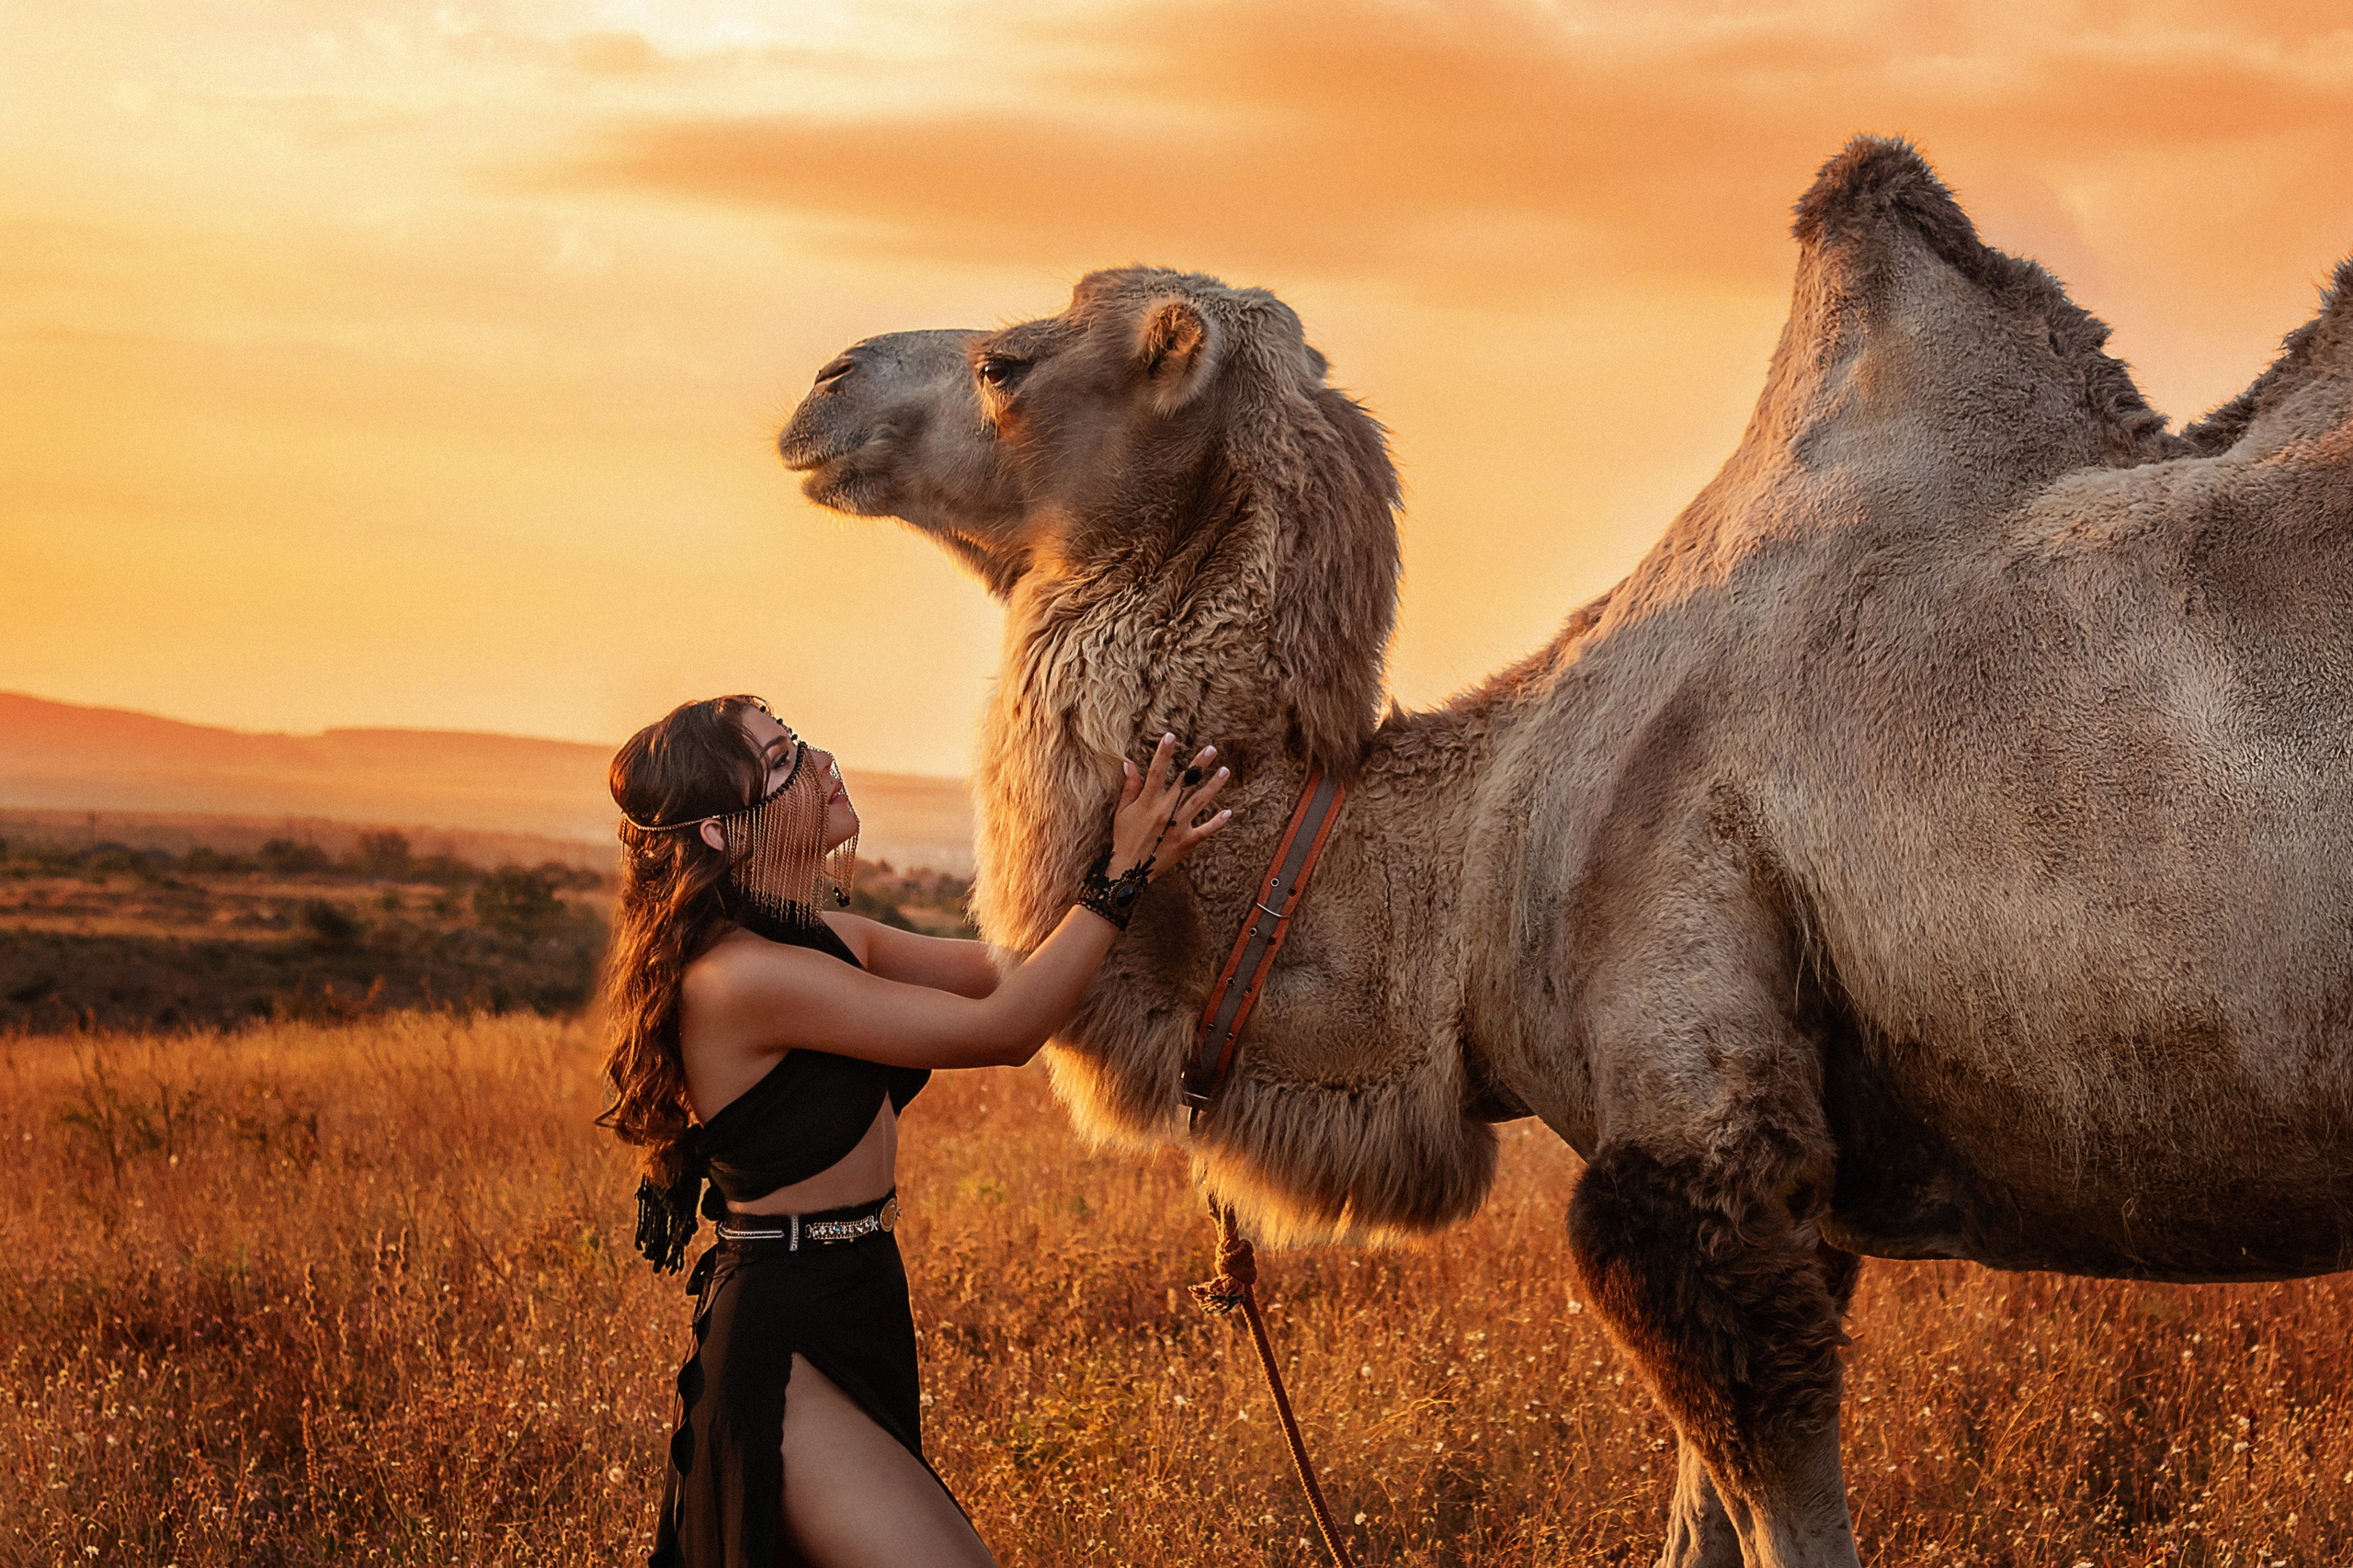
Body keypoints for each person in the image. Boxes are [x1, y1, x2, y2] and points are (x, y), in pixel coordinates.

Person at [597, 695, 1230, 1568]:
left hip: (860, 1295)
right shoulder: (739, 980)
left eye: (802, 741)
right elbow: (1004, 1031)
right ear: (722, 835)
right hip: (783, 1336)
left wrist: (1138, 850)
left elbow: (1017, 971)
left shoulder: (833, 940)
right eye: (784, 763)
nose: (822, 762)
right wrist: (1119, 878)